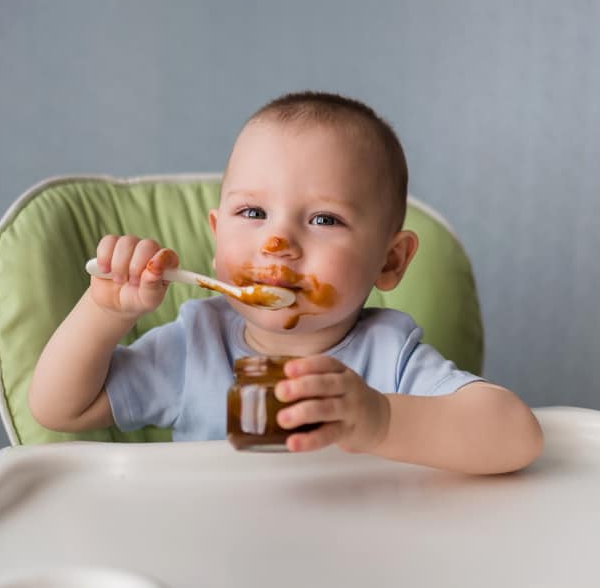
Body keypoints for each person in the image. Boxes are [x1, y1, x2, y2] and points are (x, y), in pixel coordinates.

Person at [29, 91, 543, 474]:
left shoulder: (389, 357)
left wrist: (380, 420)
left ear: (390, 261)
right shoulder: (195, 346)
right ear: (216, 236)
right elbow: (59, 409)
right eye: (252, 212)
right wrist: (105, 313)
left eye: (323, 220)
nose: (277, 242)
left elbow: (517, 437)